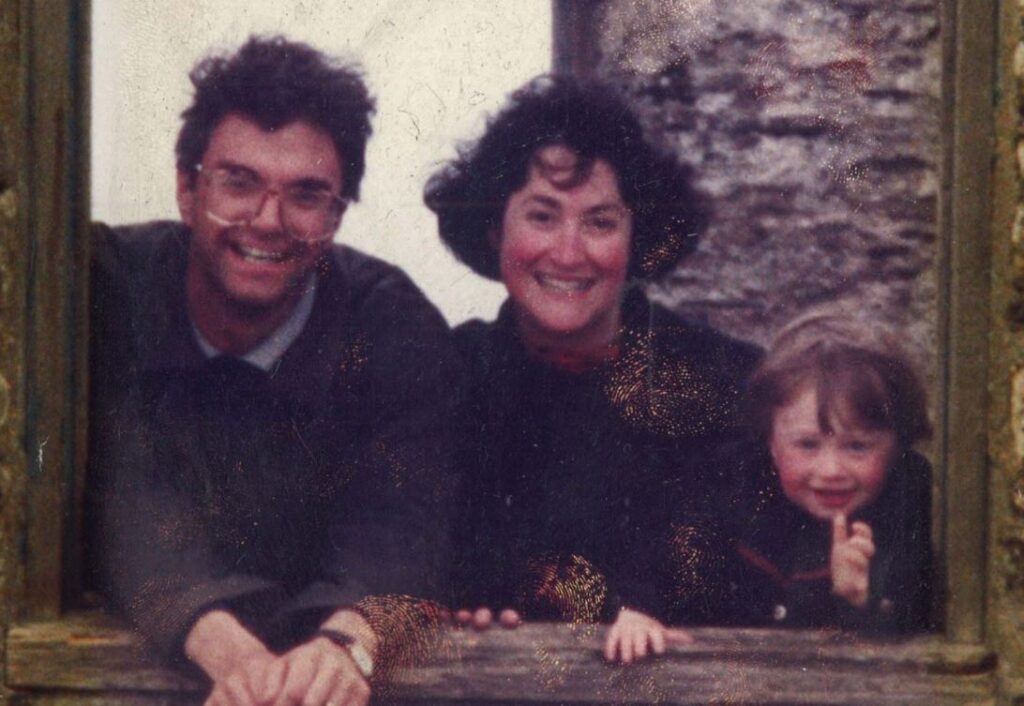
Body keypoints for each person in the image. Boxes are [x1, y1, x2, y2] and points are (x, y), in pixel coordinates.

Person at [87, 36, 459, 706]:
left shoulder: (393, 324)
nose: (267, 221)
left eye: (307, 195)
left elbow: (407, 517)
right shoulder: (104, 292)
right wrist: (220, 644)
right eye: (238, 182)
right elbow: (116, 489)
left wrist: (347, 639)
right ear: (185, 188)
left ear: (338, 214)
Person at [424, 75, 761, 662]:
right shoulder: (445, 376)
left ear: (638, 239)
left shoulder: (728, 382)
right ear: (491, 228)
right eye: (542, 216)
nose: (569, 252)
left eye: (600, 222)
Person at [719, 309, 934, 633]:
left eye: (857, 447)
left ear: (898, 446)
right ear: (770, 442)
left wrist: (859, 598)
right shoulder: (740, 496)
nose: (831, 470)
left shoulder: (911, 513)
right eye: (807, 445)